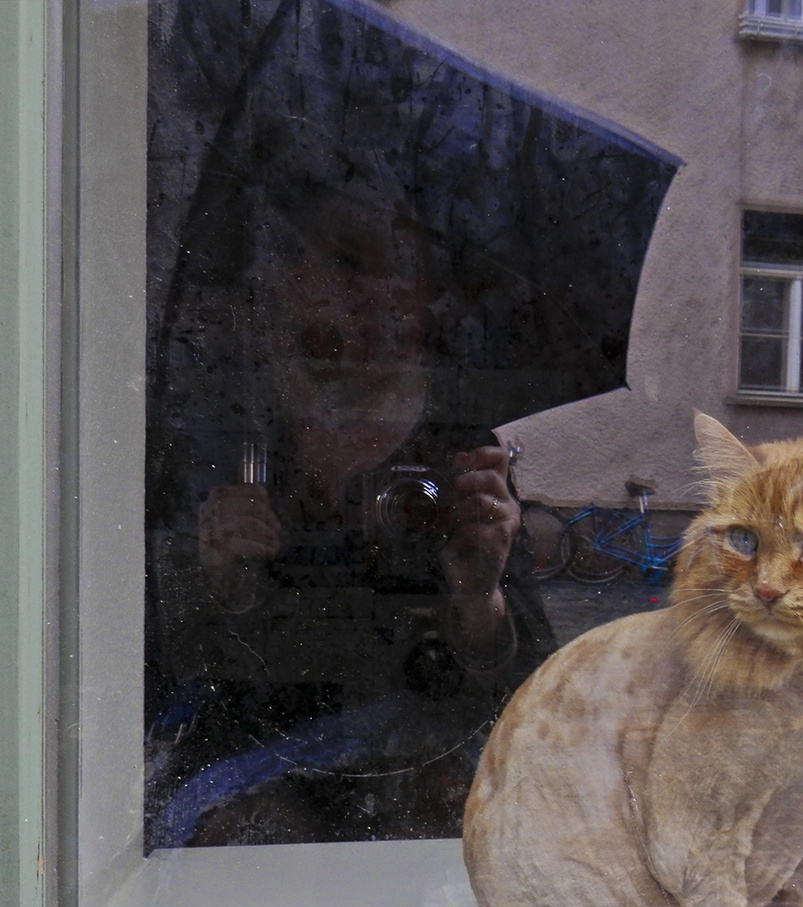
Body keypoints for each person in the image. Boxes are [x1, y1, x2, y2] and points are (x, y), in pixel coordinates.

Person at [144, 180, 555, 847]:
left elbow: (529, 700)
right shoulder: (220, 434)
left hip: (411, 803)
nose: (380, 294)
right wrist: (206, 579)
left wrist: (482, 600)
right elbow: (122, 677)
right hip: (246, 802)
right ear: (284, 279)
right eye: (348, 261)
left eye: (407, 272)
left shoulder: (458, 446)